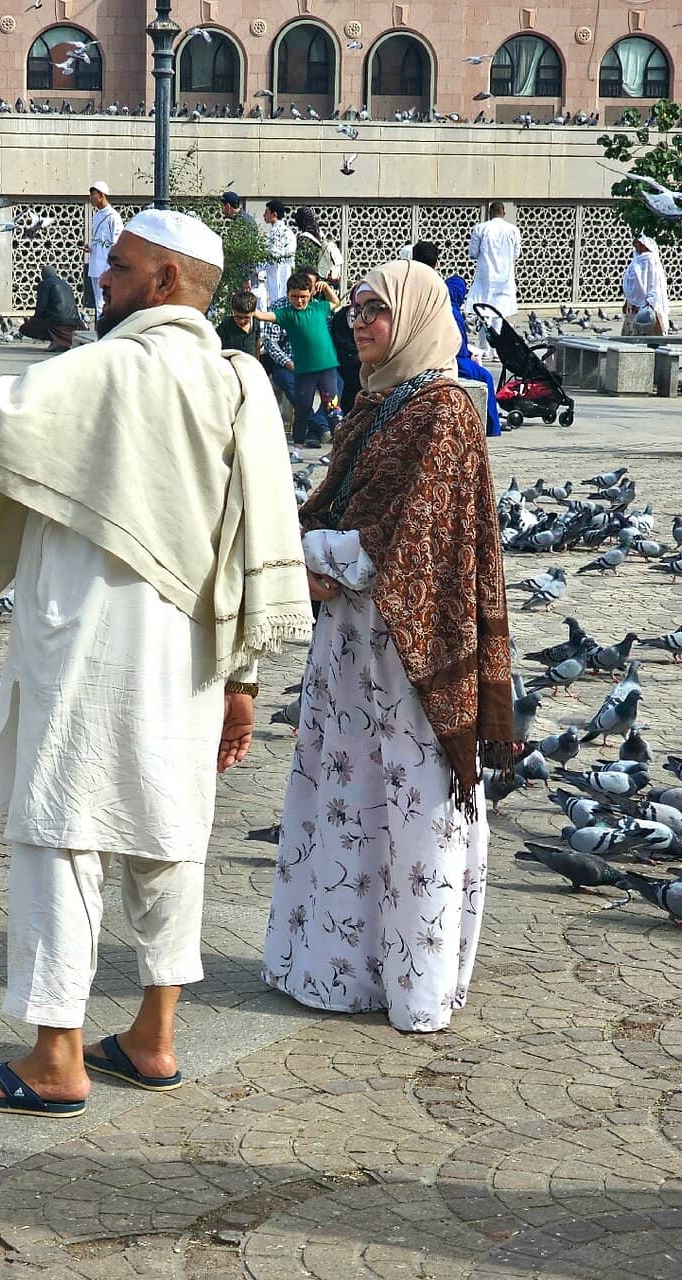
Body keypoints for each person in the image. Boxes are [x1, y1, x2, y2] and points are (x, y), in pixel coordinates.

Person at [0, 209, 313, 1117]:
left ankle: (56, 1061)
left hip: (93, 643)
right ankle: (153, 1039)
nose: (103, 281)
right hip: (194, 653)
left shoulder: (121, 364)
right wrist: (244, 683)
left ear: (165, 281)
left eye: (119, 269)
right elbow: (254, 540)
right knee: (170, 836)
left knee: (61, 831)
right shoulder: (239, 380)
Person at [262, 259, 513, 1033]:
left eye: (379, 311)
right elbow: (327, 516)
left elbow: (398, 551)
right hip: (351, 653)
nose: (362, 322)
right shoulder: (374, 408)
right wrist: (305, 551)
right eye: (359, 308)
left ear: (414, 319)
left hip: (411, 656)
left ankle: (414, 982)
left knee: (410, 810)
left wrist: (297, 555)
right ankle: (341, 971)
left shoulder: (443, 412)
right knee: (348, 806)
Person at [254, 271, 343, 447]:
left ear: (310, 293)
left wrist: (325, 288)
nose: (299, 301)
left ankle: (338, 448)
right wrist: (250, 308)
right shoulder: (286, 313)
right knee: (302, 408)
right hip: (302, 369)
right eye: (294, 296)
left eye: (303, 296)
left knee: (332, 408)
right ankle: (298, 447)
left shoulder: (319, 307)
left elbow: (335, 302)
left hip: (327, 367)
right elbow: (264, 316)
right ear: (288, 294)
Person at [445, 276, 501, 437]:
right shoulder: (454, 313)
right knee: (485, 377)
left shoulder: (442, 307)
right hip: (455, 360)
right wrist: (469, 356)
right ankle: (492, 427)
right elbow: (458, 346)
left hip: (450, 356)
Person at [466, 201, 522, 351]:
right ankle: (498, 351)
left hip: (486, 278)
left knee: (484, 314)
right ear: (503, 213)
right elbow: (516, 254)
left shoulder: (480, 228)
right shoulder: (513, 230)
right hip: (505, 278)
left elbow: (472, 253)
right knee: (499, 315)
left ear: (489, 213)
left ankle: (484, 349)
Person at [20, 264, 85, 350]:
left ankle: (56, 342)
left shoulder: (44, 284)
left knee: (26, 328)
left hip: (56, 320)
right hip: (74, 320)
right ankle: (60, 342)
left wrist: (34, 320)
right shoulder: (66, 284)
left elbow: (41, 307)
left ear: (43, 275)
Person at [84, 181, 123, 322]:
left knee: (106, 301)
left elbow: (117, 242)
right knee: (98, 302)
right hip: (95, 264)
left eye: (93, 195)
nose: (91, 198)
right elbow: (99, 241)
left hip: (106, 266)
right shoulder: (96, 216)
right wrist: (91, 248)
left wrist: (112, 265)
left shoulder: (113, 216)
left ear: (101, 195)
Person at [622, 235, 669, 336]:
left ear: (645, 245)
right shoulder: (636, 260)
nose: (637, 246)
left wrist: (651, 301)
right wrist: (627, 300)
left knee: (650, 333)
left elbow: (654, 283)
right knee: (631, 338)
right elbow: (633, 283)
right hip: (633, 306)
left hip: (647, 304)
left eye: (639, 244)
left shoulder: (651, 260)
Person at [262, 199, 296, 304]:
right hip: (286, 272)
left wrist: (258, 269)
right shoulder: (289, 231)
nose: (264, 215)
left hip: (276, 273)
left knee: (276, 302)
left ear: (274, 214)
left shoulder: (276, 232)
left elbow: (274, 256)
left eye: (267, 212)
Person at [216, 289, 260, 356]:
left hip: (250, 363)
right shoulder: (226, 325)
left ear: (253, 313)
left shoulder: (256, 323)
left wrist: (257, 361)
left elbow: (257, 344)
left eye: (246, 318)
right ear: (233, 311)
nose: (242, 321)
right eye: (238, 317)